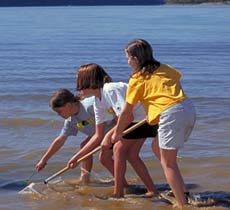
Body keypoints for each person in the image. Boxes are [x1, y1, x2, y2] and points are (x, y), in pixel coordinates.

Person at [112, 39, 196, 209]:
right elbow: (170, 90)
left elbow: (127, 112)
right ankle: (183, 192)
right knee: (157, 147)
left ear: (135, 58)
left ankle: (181, 205)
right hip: (188, 108)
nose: (127, 61)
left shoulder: (136, 79)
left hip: (170, 114)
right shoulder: (167, 68)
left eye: (127, 58)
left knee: (168, 164)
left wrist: (117, 133)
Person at [68, 63, 158, 198]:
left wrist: (109, 135)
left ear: (87, 80)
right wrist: (77, 157)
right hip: (137, 121)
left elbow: (127, 116)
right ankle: (151, 190)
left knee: (119, 150)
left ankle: (118, 192)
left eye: (78, 79)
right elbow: (98, 135)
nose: (77, 84)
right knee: (111, 156)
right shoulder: (98, 101)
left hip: (146, 117)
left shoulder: (110, 89)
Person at [35, 88, 113, 183]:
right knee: (84, 146)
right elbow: (60, 140)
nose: (58, 115)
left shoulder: (90, 105)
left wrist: (76, 157)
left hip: (114, 129)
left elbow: (115, 111)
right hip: (99, 135)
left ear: (68, 105)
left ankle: (121, 182)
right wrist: (44, 160)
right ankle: (85, 179)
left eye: (59, 111)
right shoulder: (70, 121)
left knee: (104, 158)